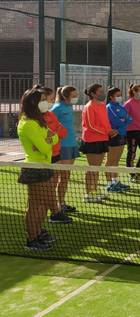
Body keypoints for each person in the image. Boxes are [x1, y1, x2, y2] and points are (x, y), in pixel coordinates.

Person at [17, 86, 58, 251]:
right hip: (35, 168)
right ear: (33, 103)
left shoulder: (38, 121)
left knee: (44, 203)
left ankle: (38, 232)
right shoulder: (28, 124)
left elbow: (54, 137)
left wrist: (48, 141)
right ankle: (32, 239)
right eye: (42, 100)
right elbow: (45, 147)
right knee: (35, 204)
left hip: (45, 165)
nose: (46, 103)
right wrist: (48, 141)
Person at [80, 84, 116, 203]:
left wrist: (110, 131)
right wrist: (108, 131)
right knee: (92, 168)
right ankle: (88, 193)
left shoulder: (102, 105)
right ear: (93, 94)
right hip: (91, 140)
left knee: (97, 167)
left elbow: (105, 122)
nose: (102, 93)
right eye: (100, 92)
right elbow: (90, 126)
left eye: (102, 91)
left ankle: (94, 190)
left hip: (102, 139)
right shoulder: (89, 107)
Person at [40, 86, 72, 223]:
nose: (53, 101)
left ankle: (55, 212)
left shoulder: (50, 114)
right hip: (46, 156)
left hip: (56, 153)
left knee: (53, 184)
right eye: (51, 99)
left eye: (53, 98)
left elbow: (62, 131)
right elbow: (47, 136)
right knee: (47, 188)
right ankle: (52, 213)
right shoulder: (37, 118)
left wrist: (56, 133)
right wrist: (56, 133)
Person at [51, 85, 80, 219]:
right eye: (73, 96)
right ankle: (56, 206)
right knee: (59, 176)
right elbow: (50, 125)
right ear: (65, 96)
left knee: (66, 176)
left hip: (72, 144)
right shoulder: (57, 108)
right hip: (63, 146)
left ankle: (61, 203)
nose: (76, 98)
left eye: (76, 95)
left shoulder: (69, 107)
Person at [105, 86, 132, 193]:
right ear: (111, 97)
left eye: (120, 95)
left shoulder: (121, 106)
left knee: (116, 161)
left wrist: (124, 119)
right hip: (114, 136)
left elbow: (129, 119)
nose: (120, 97)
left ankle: (116, 181)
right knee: (110, 160)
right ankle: (109, 184)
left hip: (122, 135)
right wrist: (123, 120)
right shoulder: (109, 107)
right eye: (117, 95)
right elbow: (118, 122)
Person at [124, 84, 140, 183]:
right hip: (132, 131)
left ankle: (137, 172)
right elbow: (124, 117)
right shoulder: (128, 104)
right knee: (132, 154)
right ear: (134, 92)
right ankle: (132, 175)